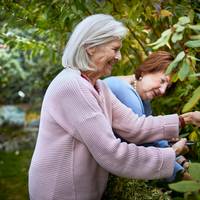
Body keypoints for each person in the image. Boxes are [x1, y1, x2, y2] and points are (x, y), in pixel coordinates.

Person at [29, 14, 191, 200]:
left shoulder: (98, 86)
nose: (119, 57)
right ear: (90, 47)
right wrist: (172, 154)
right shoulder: (72, 86)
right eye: (115, 49)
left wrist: (184, 119)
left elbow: (135, 127)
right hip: (60, 192)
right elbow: (112, 154)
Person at [104, 51, 190, 181]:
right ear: (145, 71)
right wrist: (184, 176)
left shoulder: (144, 100)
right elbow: (146, 143)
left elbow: (155, 139)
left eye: (168, 87)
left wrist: (182, 162)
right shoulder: (123, 91)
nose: (162, 90)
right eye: (162, 81)